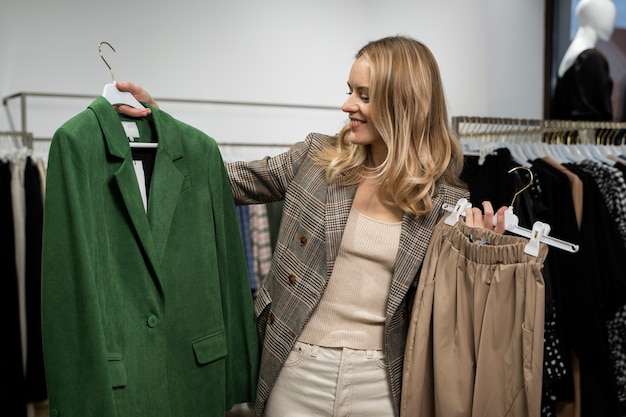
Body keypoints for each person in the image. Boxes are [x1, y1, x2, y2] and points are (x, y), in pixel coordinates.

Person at [116, 35, 507, 416]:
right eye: (350, 90)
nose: (347, 105)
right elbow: (218, 180)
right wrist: (160, 125)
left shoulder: (446, 203)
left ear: (403, 104)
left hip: (383, 383)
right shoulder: (317, 159)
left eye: (364, 95)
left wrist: (484, 257)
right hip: (296, 366)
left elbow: (454, 320)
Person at [551, 0, 616, 122]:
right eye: (609, 15)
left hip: (569, 138)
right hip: (585, 139)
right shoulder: (588, 59)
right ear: (595, 16)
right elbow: (595, 119)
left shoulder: (574, 54)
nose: (612, 23)